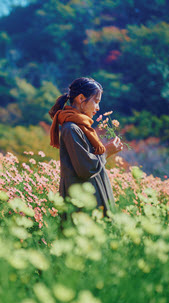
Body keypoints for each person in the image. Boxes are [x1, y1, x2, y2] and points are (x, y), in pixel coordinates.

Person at [49, 77, 124, 213]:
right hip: (82, 208)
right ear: (81, 98)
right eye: (96, 101)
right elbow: (86, 169)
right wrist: (106, 151)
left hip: (90, 204)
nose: (98, 108)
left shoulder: (83, 127)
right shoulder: (71, 128)